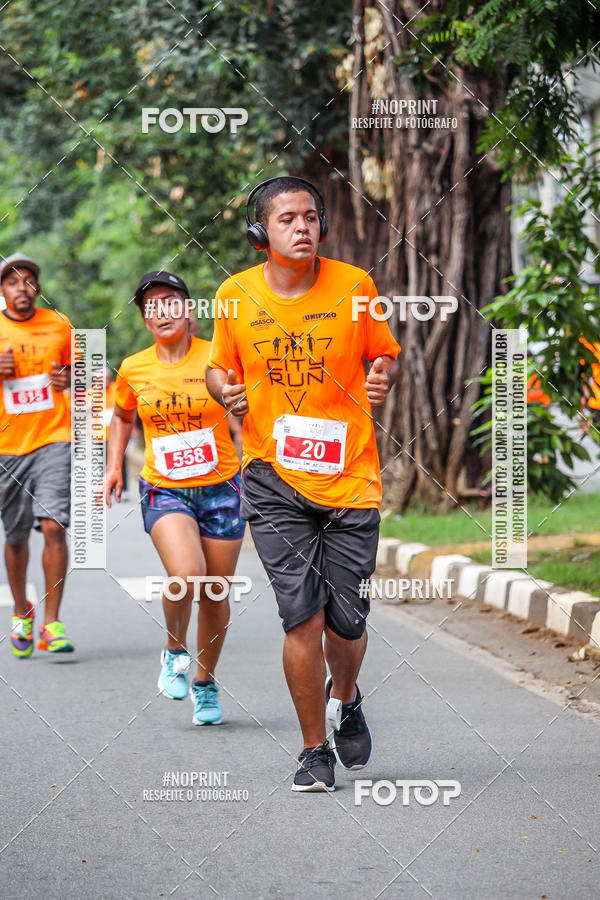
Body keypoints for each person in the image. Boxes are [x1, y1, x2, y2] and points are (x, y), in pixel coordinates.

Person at [206, 176, 400, 791]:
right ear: (261, 234)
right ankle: (313, 751)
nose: (303, 227)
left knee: (346, 621)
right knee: (303, 620)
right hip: (271, 479)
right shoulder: (234, 296)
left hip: (349, 477)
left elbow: (383, 352)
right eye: (288, 218)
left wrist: (381, 376)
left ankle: (347, 696)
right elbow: (217, 368)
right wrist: (223, 391)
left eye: (311, 216)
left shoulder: (354, 286)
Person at [105, 271, 245, 725]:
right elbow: (123, 416)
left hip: (222, 485)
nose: (162, 311)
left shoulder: (217, 357)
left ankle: (204, 683)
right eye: (152, 306)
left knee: (215, 591)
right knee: (187, 574)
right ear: (145, 319)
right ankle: (173, 650)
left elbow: (248, 404)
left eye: (171, 302)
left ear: (187, 310)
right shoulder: (134, 367)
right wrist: (112, 466)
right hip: (165, 486)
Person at [0, 252, 74, 657]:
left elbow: (87, 375)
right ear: (2, 291)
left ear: (38, 288)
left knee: (52, 526)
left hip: (53, 438)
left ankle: (51, 622)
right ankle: (20, 610)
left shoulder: (58, 324)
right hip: (6, 446)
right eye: (12, 282)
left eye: (28, 281)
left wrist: (70, 377)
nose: (21, 288)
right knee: (14, 537)